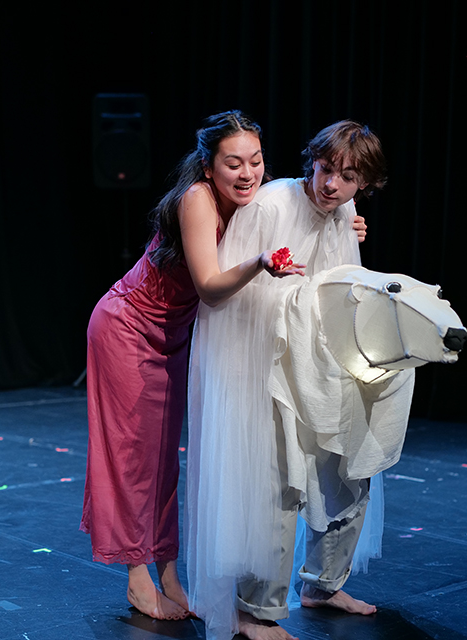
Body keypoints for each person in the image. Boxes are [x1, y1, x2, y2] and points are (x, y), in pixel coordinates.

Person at [80, 111, 311, 621]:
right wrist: (259, 262)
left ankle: (168, 574)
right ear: (209, 166)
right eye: (234, 163)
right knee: (132, 458)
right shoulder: (198, 199)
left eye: (256, 161)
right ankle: (137, 577)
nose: (248, 173)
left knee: (164, 460)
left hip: (173, 337)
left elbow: (307, 198)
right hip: (127, 328)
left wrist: (344, 220)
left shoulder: (255, 200)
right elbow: (208, 286)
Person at [185, 121, 388, 640]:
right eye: (325, 170)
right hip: (266, 363)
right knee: (278, 481)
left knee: (353, 461)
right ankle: (258, 610)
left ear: (363, 184)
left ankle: (323, 583)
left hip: (321, 361)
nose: (331, 185)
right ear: (311, 163)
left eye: (347, 177)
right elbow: (229, 300)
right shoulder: (271, 205)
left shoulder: (343, 211)